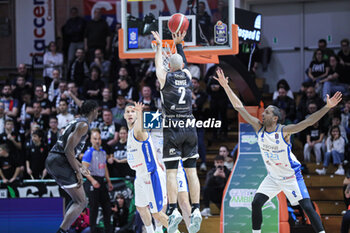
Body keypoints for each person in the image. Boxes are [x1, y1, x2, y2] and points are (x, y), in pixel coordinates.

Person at [214, 67, 342, 233]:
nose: (263, 114)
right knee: (256, 202)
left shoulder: (284, 131)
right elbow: (239, 107)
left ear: (275, 118)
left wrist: (326, 107)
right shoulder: (258, 127)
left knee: (308, 207)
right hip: (273, 177)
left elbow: (308, 122)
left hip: (291, 176)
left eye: (266, 112)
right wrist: (226, 86)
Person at [151, 30, 202, 233]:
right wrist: (178, 45)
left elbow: (157, 66)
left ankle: (173, 209)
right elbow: (183, 62)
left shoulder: (164, 78)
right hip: (190, 127)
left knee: (171, 172)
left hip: (172, 128)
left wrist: (158, 49)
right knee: (192, 171)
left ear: (169, 66)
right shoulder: (188, 75)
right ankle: (197, 208)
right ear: (181, 66)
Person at [45, 100, 98, 233]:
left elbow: (69, 151)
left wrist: (80, 167)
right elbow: (68, 150)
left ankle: (65, 229)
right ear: (93, 111)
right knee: (81, 201)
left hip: (55, 160)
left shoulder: (76, 121)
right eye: (97, 110)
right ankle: (62, 231)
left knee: (77, 200)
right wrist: (78, 173)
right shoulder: (83, 125)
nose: (98, 113)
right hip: (60, 161)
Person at [124, 102, 168, 233]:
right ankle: (150, 231)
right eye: (128, 112)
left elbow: (140, 128)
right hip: (140, 175)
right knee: (141, 207)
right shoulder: (130, 130)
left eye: (133, 112)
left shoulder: (138, 130)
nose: (130, 114)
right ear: (124, 115)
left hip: (150, 174)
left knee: (157, 214)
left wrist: (139, 112)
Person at [82, 128, 113, 233]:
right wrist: (92, 180)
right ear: (91, 140)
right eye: (95, 139)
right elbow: (83, 169)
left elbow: (105, 167)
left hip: (101, 180)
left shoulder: (103, 152)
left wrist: (108, 181)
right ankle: (93, 230)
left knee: (107, 207)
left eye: (99, 138)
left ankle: (108, 230)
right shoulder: (88, 153)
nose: (97, 141)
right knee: (94, 209)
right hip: (92, 181)